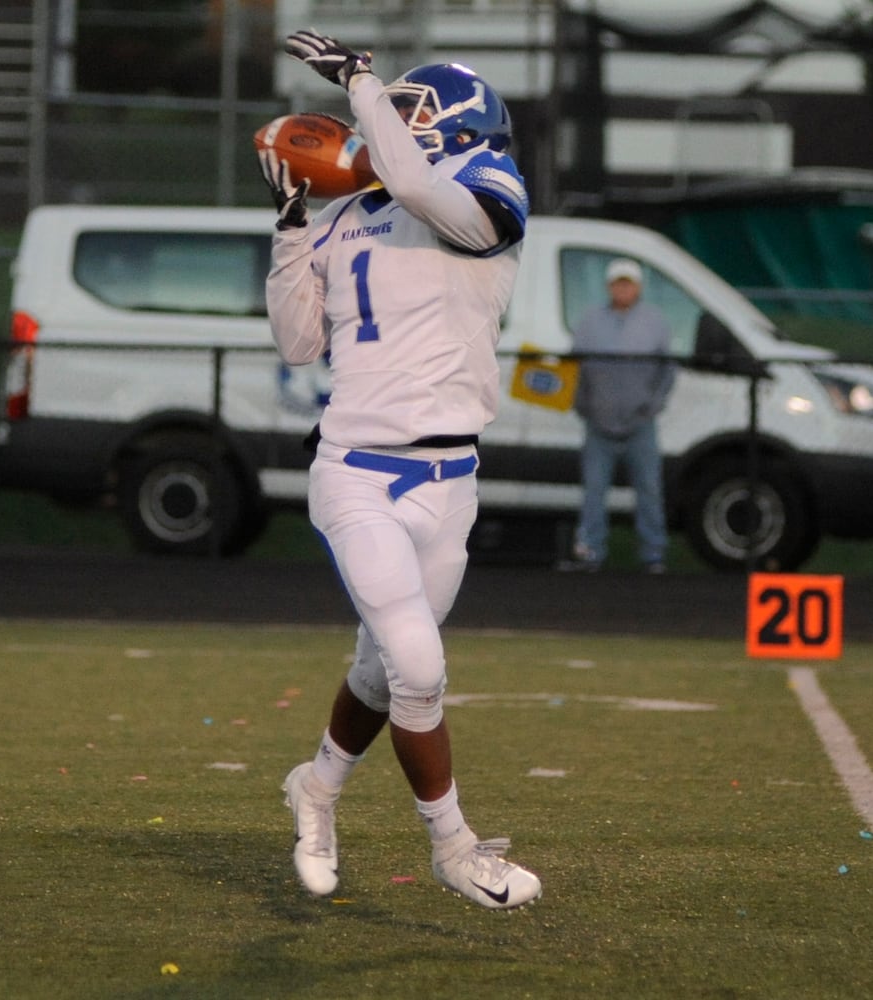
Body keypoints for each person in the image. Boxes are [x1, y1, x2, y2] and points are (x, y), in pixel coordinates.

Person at [263, 30, 541, 910]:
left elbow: (421, 185)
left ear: (464, 125)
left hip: (450, 480)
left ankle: (317, 788)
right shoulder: (346, 214)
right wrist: (290, 225)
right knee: (417, 666)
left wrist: (362, 83)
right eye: (398, 112)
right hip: (356, 470)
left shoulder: (488, 195)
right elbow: (298, 341)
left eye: (417, 112)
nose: (395, 126)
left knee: (383, 674)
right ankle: (453, 848)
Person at [562, 257, 676, 573]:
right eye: (617, 283)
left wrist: (652, 406)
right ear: (609, 286)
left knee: (649, 489)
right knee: (594, 489)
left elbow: (668, 371)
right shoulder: (589, 321)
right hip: (598, 423)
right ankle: (590, 551)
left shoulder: (655, 321)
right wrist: (583, 405)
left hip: (641, 423)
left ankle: (654, 554)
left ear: (638, 287)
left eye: (628, 283)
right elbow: (575, 368)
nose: (622, 289)